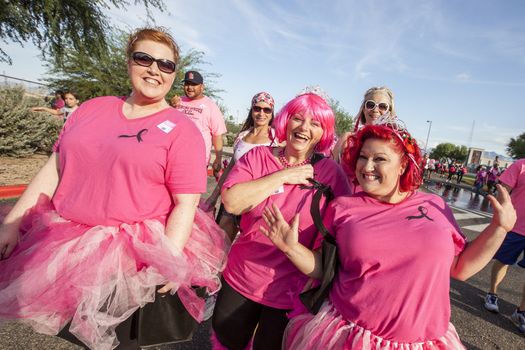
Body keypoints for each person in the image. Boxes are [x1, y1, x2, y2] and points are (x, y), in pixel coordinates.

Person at [0, 27, 228, 350]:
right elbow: (55, 166)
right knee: (79, 334)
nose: (154, 69)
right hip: (67, 243)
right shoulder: (91, 108)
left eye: (166, 65)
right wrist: (11, 224)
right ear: (128, 62)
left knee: (116, 342)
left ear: (174, 75)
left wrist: (170, 259)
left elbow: (186, 204)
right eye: (144, 58)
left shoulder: (182, 131)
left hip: (128, 256)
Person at [262, 121, 516, 349]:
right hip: (351, 337)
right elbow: (323, 269)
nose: (367, 167)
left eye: (380, 159)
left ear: (403, 164)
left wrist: (499, 229)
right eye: (363, 157)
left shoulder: (435, 206)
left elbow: (460, 268)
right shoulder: (342, 208)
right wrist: (291, 248)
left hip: (425, 341)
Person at [211, 92, 351, 350]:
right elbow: (232, 202)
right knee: (226, 340)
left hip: (293, 289)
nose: (304, 128)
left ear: (324, 132)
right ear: (286, 121)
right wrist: (284, 175)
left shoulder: (331, 174)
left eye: (315, 123)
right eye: (298, 119)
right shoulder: (257, 158)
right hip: (244, 276)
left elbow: (348, 223)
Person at [207, 91, 278, 241]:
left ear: (272, 113)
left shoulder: (276, 139)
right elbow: (229, 172)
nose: (261, 113)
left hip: (259, 202)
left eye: (267, 110)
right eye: (257, 108)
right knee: (220, 244)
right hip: (234, 198)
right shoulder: (242, 136)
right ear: (251, 110)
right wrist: (214, 197)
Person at [483, 158, 525, 334]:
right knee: (503, 261)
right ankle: (492, 293)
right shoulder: (521, 165)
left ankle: (521, 311)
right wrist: (500, 217)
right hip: (515, 226)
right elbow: (503, 191)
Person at [171, 70, 227, 178]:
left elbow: (217, 135)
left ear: (202, 87)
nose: (190, 87)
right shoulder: (178, 102)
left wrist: (218, 159)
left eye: (194, 84)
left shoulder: (211, 107)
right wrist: (170, 107)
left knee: (190, 194)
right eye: (187, 84)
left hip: (197, 162)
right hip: (174, 158)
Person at [332, 86, 396, 164]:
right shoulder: (347, 139)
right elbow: (329, 170)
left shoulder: (394, 144)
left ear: (389, 111)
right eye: (370, 104)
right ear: (363, 109)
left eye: (382, 106)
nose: (375, 110)